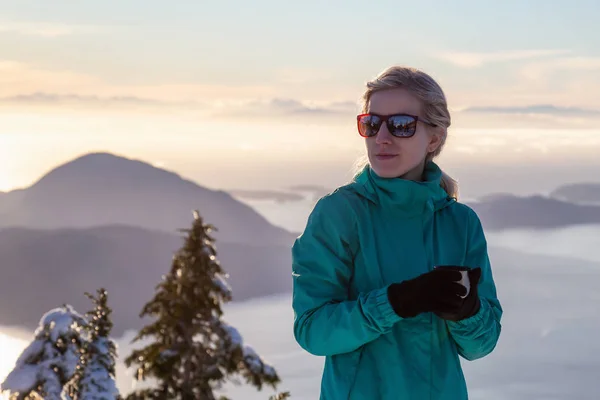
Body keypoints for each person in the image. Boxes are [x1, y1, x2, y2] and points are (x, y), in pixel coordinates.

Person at [291, 66, 502, 399]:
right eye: (372, 124)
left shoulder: (461, 223)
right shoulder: (340, 214)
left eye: (401, 125)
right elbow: (313, 331)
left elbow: (481, 346)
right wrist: (396, 302)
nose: (382, 137)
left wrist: (467, 312)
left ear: (434, 137)